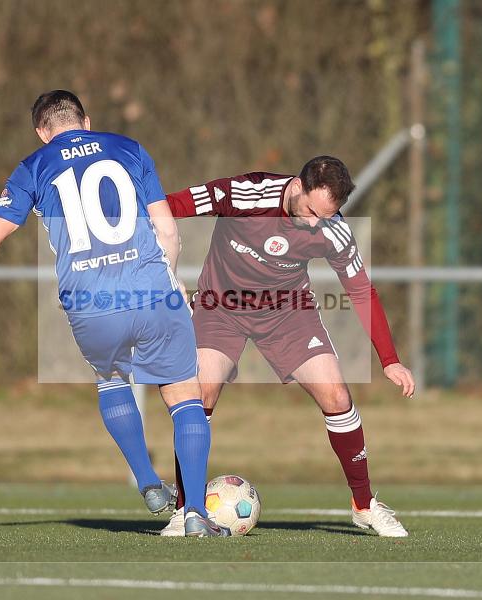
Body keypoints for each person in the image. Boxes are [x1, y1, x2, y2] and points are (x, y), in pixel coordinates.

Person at [0, 90, 227, 537]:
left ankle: (147, 481)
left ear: (41, 131)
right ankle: (195, 517)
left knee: (110, 378)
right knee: (185, 396)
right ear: (86, 120)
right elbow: (165, 226)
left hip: (90, 303)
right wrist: (173, 281)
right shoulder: (130, 149)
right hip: (152, 293)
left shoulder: (33, 167)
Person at [160, 156, 415, 537]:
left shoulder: (333, 229)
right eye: (312, 210)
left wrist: (390, 360)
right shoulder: (245, 193)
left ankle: (364, 506)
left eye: (326, 215)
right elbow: (170, 206)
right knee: (198, 395)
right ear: (297, 185)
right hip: (220, 309)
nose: (316, 222)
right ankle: (186, 511)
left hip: (287, 313)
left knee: (337, 397)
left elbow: (361, 290)